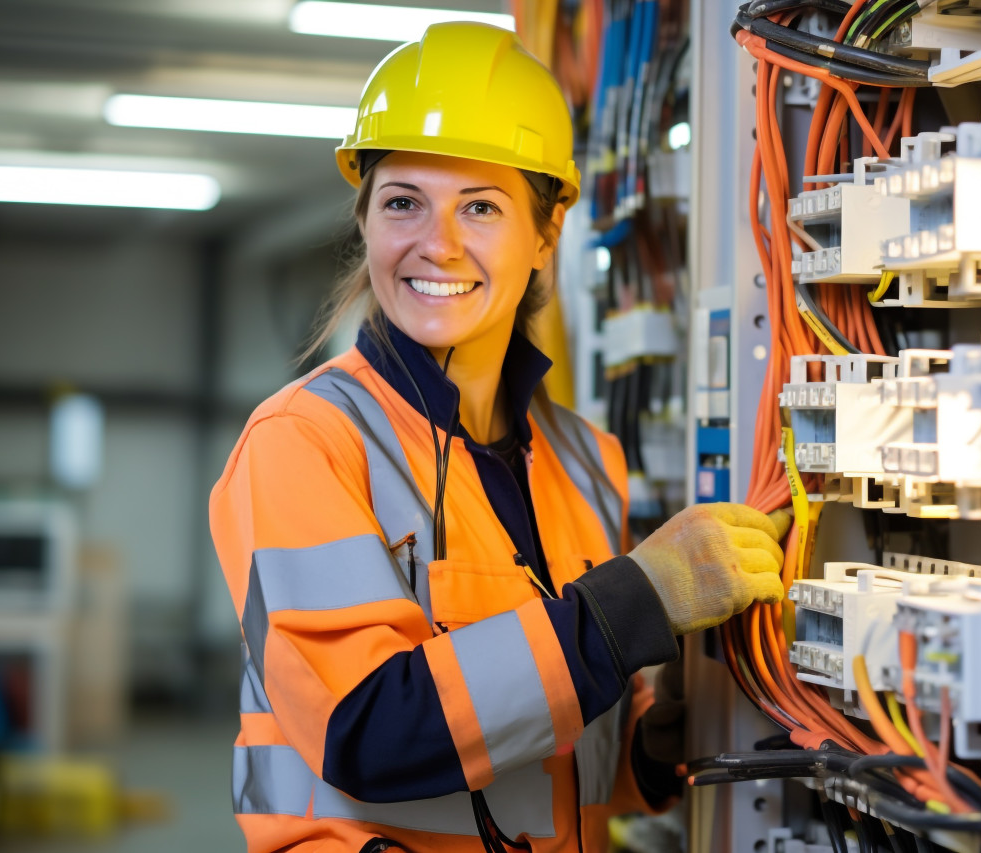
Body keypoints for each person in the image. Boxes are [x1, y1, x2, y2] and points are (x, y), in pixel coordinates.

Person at [210, 21, 789, 853]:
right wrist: (640, 598)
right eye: (402, 201)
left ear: (546, 234)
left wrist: (652, 747)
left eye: (480, 207)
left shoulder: (589, 463)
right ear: (366, 220)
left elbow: (549, 743)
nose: (435, 243)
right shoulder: (303, 441)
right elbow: (369, 728)